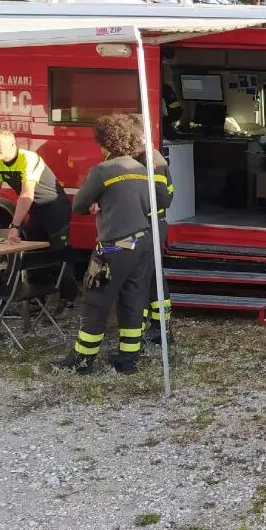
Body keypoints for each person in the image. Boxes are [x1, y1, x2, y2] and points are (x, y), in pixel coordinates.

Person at [52, 115, 167, 375]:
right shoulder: (143, 169)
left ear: (106, 143)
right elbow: (156, 201)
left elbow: (79, 205)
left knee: (96, 298)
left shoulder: (103, 171)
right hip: (143, 242)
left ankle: (82, 361)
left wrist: (99, 203)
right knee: (134, 299)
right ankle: (128, 360)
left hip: (114, 246)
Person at [0, 129, 77, 311]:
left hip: (55, 206)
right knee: (33, 254)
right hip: (36, 208)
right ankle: (38, 299)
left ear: (12, 143)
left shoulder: (28, 158)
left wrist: (15, 225)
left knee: (59, 252)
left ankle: (68, 298)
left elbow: (26, 194)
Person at [128, 114, 174, 347]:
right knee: (149, 277)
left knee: (150, 277)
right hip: (144, 225)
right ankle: (154, 326)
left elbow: (163, 198)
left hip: (152, 225)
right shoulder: (136, 157)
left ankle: (160, 328)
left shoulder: (152, 160)